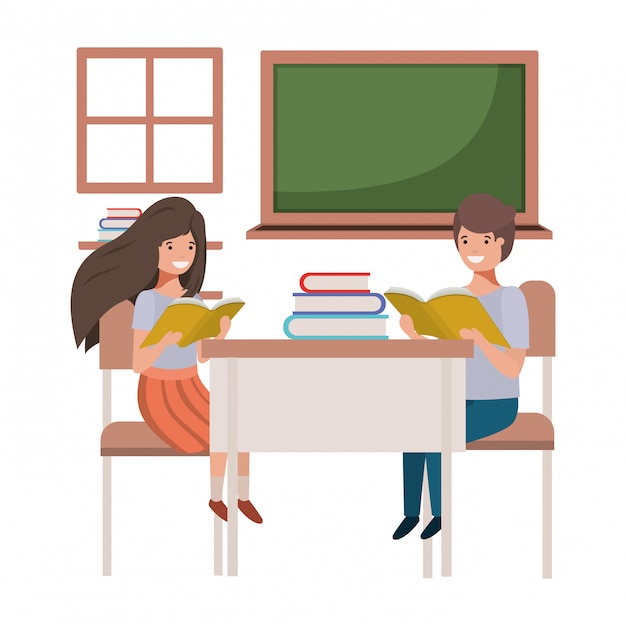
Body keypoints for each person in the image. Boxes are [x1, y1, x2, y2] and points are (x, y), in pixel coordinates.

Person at [71, 196, 262, 524]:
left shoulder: (195, 300)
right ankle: (216, 498)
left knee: (240, 428)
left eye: (189, 247)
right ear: (154, 249)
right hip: (159, 393)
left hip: (192, 385)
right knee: (221, 436)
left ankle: (241, 496)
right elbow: (139, 363)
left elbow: (200, 357)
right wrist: (166, 339)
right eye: (171, 247)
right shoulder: (147, 301)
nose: (182, 256)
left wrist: (218, 334)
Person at [393, 193, 528, 540]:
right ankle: (411, 512)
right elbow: (446, 356)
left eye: (482, 240)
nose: (473, 248)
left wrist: (482, 341)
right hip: (458, 397)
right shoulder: (456, 299)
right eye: (465, 239)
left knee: (437, 432)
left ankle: (437, 514)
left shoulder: (510, 298)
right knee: (413, 426)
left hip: (497, 405)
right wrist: (414, 337)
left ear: (501, 243)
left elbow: (513, 368)